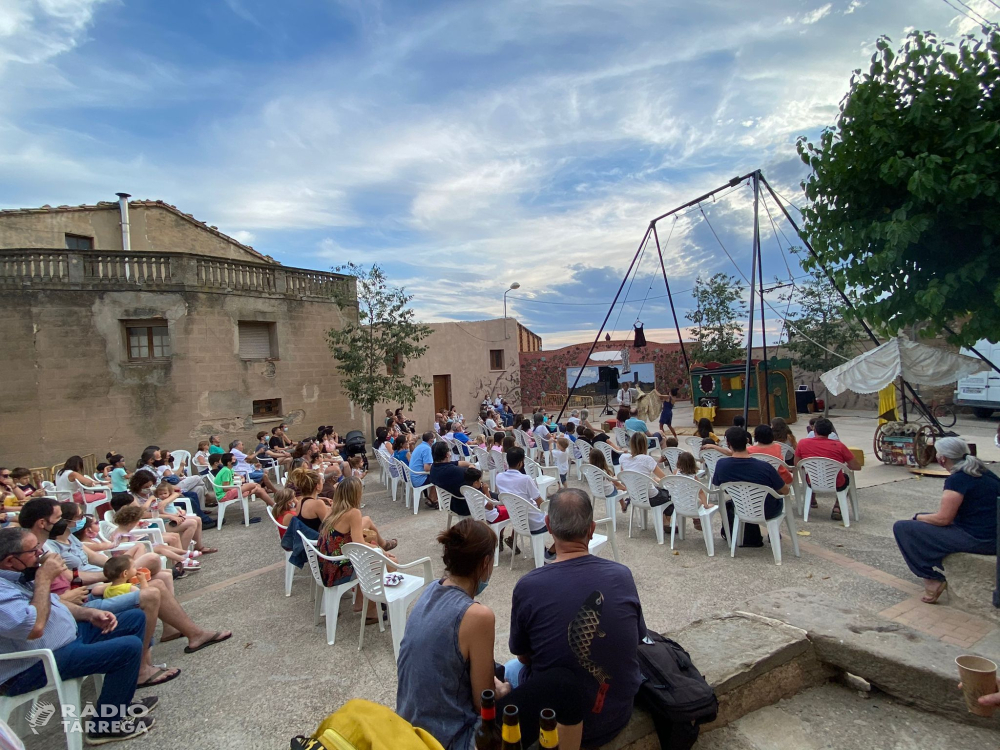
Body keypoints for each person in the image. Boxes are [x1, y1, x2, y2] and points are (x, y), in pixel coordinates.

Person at [504, 488, 646, 749]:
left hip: (554, 722)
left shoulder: (529, 586)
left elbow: (524, 656)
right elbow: (635, 640)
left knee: (511, 669)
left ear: (548, 526)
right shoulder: (621, 575)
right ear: (591, 529)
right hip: (616, 714)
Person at [0, 527, 156, 743]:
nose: (41, 554)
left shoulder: (20, 574)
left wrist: (89, 613)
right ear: (10, 561)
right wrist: (44, 579)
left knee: (133, 618)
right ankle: (104, 727)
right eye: (34, 551)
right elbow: (34, 627)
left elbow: (53, 604)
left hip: (65, 640)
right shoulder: (3, 590)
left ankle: (119, 701)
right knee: (128, 649)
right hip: (33, 664)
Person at [397, 520, 502, 750]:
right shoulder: (478, 616)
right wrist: (504, 690)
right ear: (485, 563)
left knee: (502, 670)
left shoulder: (432, 589)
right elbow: (483, 701)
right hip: (448, 739)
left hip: (408, 726)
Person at [893, 437, 1000, 604]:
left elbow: (943, 519)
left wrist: (918, 517)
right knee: (923, 522)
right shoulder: (983, 471)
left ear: (942, 459)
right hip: (991, 533)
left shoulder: (958, 479)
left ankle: (931, 578)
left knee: (903, 528)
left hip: (980, 539)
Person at [317, 477, 395, 622]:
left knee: (374, 558)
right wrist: (380, 550)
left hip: (325, 566)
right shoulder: (353, 512)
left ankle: (364, 603)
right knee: (388, 563)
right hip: (338, 569)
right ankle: (372, 610)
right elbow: (359, 542)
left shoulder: (332, 509)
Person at [712, 427, 789, 547]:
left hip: (741, 507)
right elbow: (785, 490)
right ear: (748, 441)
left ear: (728, 444)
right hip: (767, 510)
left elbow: (720, 486)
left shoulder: (721, 465)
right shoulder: (765, 467)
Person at [794, 417, 860, 521]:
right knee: (848, 477)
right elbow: (856, 466)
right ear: (831, 432)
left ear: (814, 430)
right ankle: (837, 507)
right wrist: (842, 466)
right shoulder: (839, 446)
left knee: (810, 472)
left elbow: (797, 464)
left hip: (812, 481)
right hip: (836, 483)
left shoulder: (802, 443)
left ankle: (812, 499)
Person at [495, 448, 550, 557]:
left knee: (525, 507)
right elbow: (540, 503)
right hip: (535, 523)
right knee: (560, 518)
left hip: (517, 520)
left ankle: (542, 549)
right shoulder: (526, 479)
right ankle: (550, 552)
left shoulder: (499, 477)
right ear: (521, 463)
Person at [619, 433, 672, 522]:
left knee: (657, 487)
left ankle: (663, 521)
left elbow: (623, 476)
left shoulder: (623, 458)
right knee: (670, 494)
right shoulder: (647, 459)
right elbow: (665, 478)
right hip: (651, 498)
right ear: (645, 444)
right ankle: (666, 522)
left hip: (635, 496)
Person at [428, 442, 475, 517]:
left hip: (450, 503)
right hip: (464, 505)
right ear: (447, 455)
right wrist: (472, 467)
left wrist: (470, 464)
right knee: (497, 499)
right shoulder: (452, 471)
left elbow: (459, 463)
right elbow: (475, 476)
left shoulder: (434, 467)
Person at [409, 431, 435, 504]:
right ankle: (432, 499)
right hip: (419, 479)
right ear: (431, 440)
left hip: (414, 477)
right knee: (439, 477)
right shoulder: (427, 449)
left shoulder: (420, 446)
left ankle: (430, 497)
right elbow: (427, 468)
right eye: (434, 438)